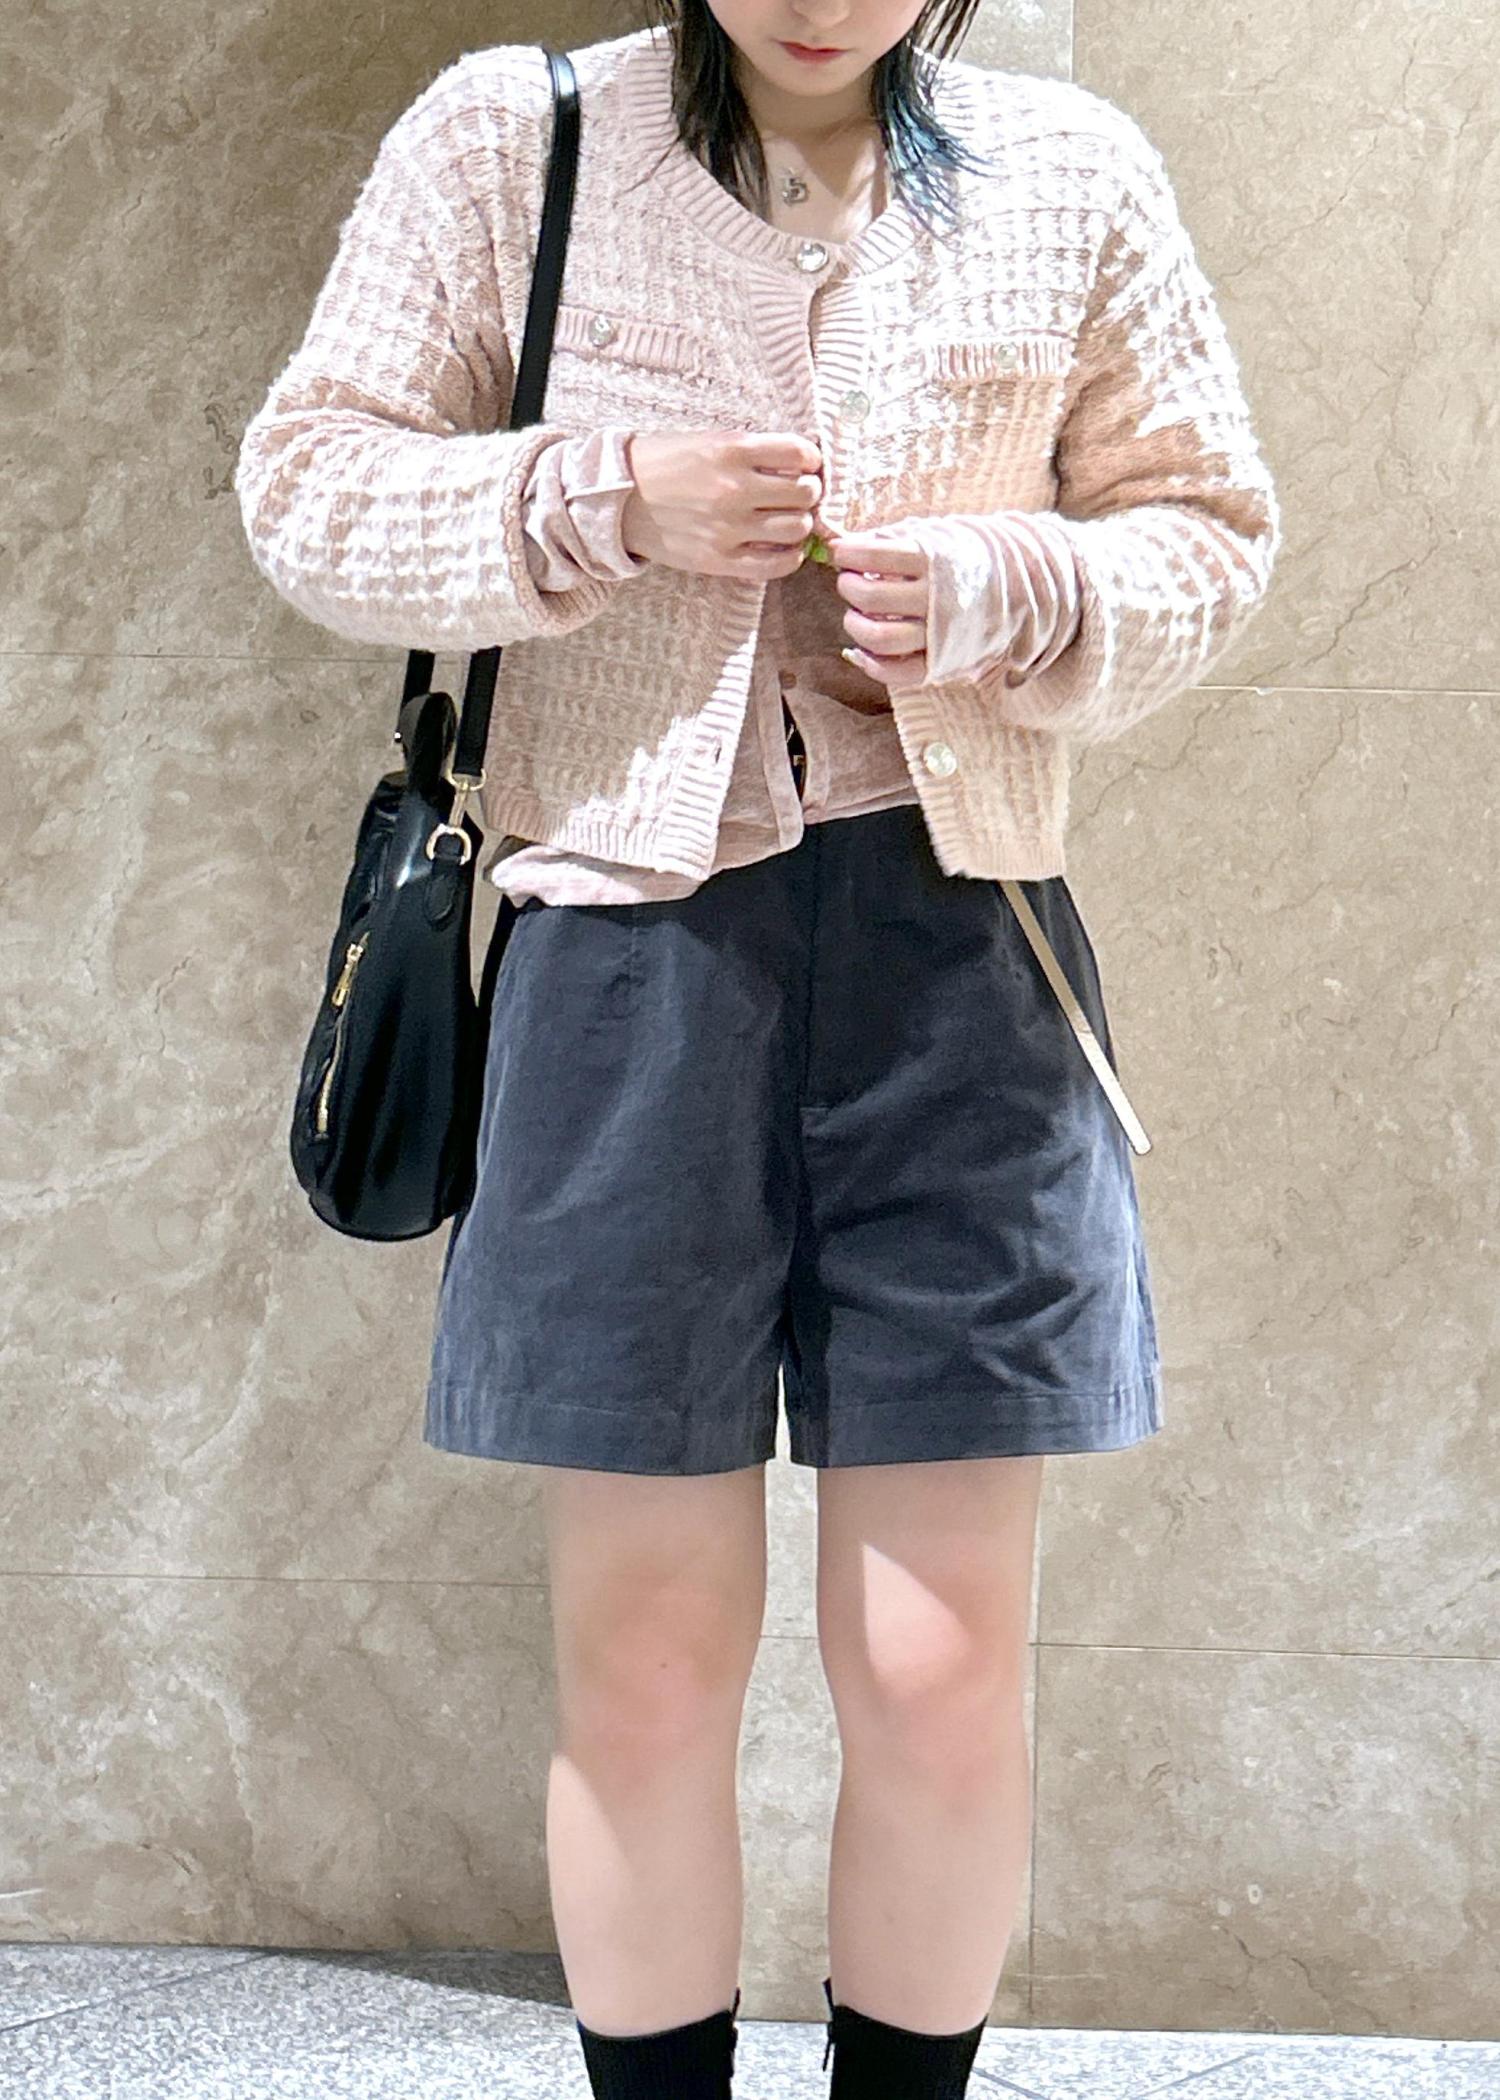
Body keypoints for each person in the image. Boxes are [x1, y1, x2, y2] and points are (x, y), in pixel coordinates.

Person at [235, 2, 1280, 2093]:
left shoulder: (1070, 172)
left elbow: (1207, 529)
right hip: (627, 957)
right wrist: (599, 497)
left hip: (966, 959)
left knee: (942, 1666)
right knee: (641, 1658)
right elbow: (309, 483)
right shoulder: (515, 137)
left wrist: (1015, 586)